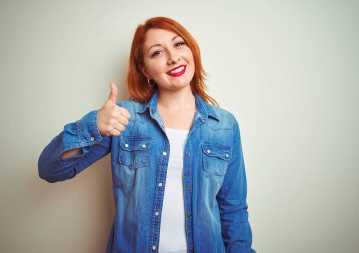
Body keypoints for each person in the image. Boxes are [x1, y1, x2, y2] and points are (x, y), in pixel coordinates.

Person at [38, 16, 255, 253]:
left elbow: (233, 210)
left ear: (192, 50)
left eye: (178, 44)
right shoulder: (124, 118)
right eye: (157, 53)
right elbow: (50, 170)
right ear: (145, 69)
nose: (173, 57)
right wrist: (94, 126)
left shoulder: (225, 125)